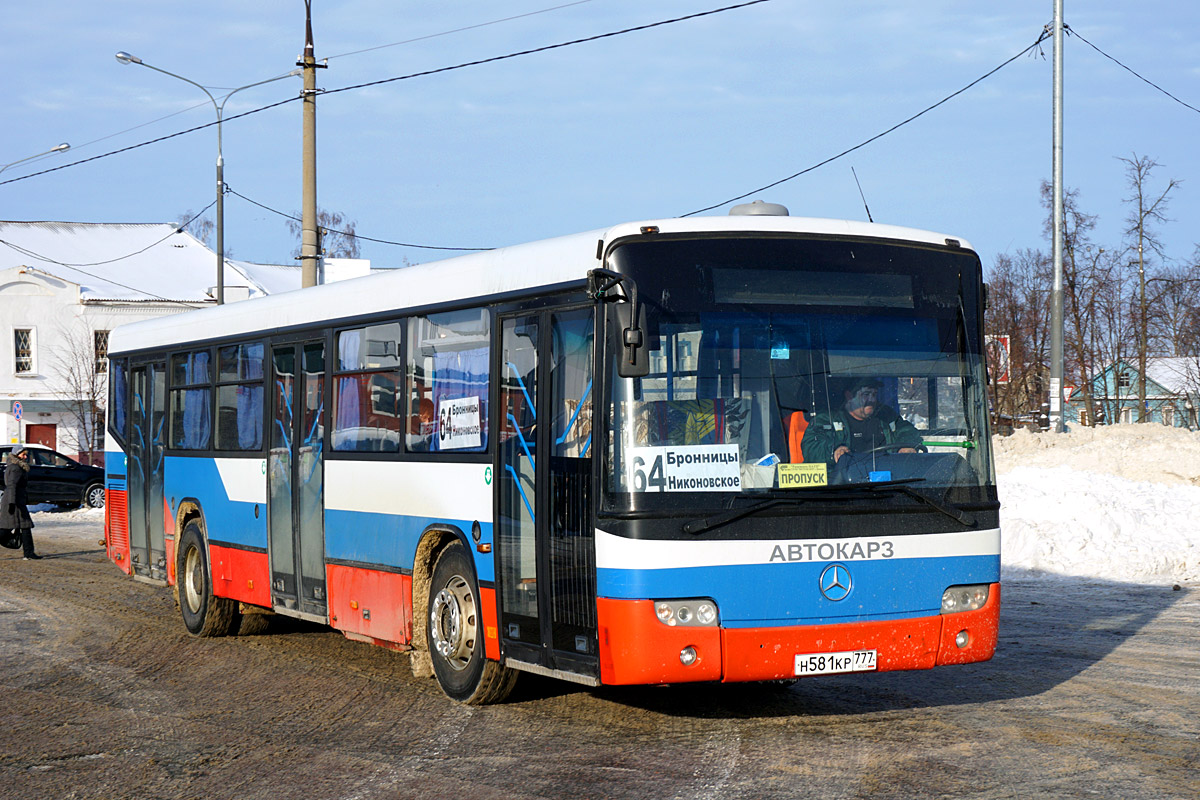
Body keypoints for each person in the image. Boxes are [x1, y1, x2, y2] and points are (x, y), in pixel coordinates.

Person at [801, 378, 922, 465]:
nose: (872, 400)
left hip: (888, 483)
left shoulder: (885, 415)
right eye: (866, 394)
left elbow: (906, 430)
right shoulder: (827, 419)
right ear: (849, 396)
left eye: (874, 394)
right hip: (841, 486)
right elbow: (811, 447)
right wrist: (834, 451)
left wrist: (907, 445)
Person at [1, 445, 40, 560]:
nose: (26, 456)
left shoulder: (15, 466)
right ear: (16, 455)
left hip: (15, 500)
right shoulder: (15, 468)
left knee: (24, 526)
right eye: (23, 454)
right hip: (13, 501)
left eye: (26, 454)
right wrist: (12, 503)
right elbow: (12, 486)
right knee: (7, 527)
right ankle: (29, 553)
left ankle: (29, 553)